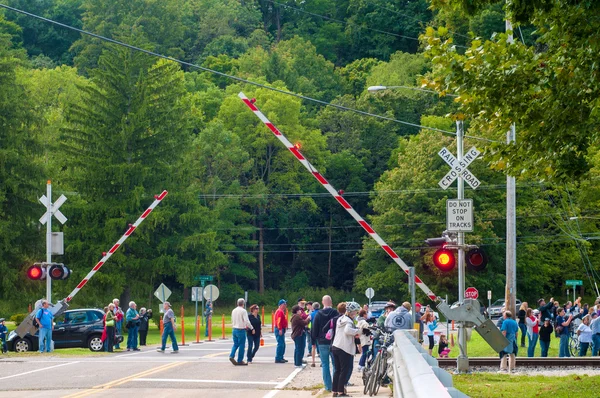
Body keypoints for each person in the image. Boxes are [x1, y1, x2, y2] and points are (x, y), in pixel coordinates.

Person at [311, 295, 339, 392]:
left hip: (322, 342)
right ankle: (336, 385)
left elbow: (314, 328)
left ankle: (328, 386)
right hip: (333, 342)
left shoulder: (319, 314)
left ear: (322, 302)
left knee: (325, 364)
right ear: (331, 302)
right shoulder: (335, 313)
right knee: (336, 364)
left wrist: (313, 341)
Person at [332, 302, 360, 397]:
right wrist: (358, 331)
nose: (356, 313)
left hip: (335, 346)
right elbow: (347, 331)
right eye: (356, 312)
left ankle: (334, 391)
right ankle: (341, 392)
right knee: (344, 370)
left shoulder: (340, 319)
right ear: (352, 312)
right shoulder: (348, 321)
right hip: (344, 348)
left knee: (337, 370)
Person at [229, 298, 253, 366]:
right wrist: (251, 328)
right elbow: (246, 321)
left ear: (237, 303)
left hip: (234, 329)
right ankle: (240, 360)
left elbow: (232, 320)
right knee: (242, 345)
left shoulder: (234, 310)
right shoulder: (243, 311)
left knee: (235, 344)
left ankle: (231, 355)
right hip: (241, 329)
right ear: (243, 304)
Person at [274, 299, 288, 363]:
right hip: (279, 328)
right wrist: (280, 329)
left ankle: (281, 357)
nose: (286, 305)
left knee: (282, 344)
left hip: (281, 328)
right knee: (280, 344)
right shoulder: (280, 311)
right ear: (281, 305)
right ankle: (278, 358)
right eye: (284, 304)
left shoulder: (281, 311)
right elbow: (278, 321)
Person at [309, 302, 321, 367]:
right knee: (320, 346)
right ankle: (322, 361)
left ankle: (313, 361)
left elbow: (307, 320)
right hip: (320, 331)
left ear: (313, 307)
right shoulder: (321, 313)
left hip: (313, 331)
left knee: (313, 346)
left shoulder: (311, 314)